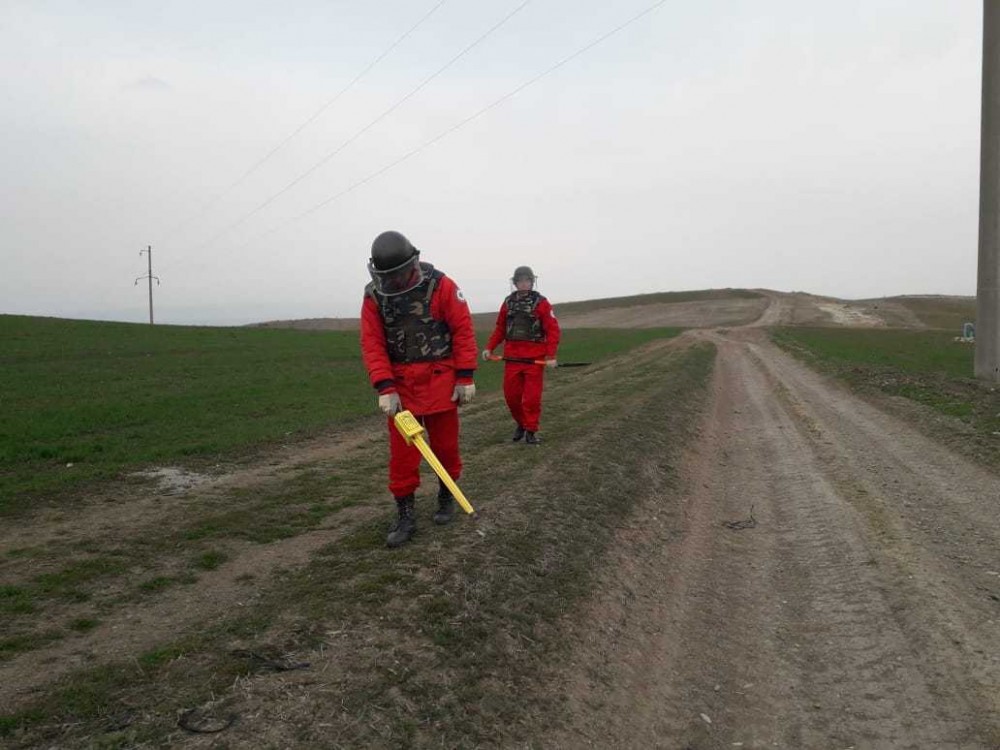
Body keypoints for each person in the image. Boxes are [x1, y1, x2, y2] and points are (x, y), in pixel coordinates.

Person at [360, 231, 478, 548]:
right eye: (389, 276)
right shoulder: (374, 297)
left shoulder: (441, 286)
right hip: (401, 388)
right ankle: (405, 514)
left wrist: (465, 376)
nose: (396, 281)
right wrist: (384, 385)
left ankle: (446, 494)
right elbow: (372, 343)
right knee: (402, 457)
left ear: (412, 262)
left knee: (446, 448)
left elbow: (462, 329)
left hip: (441, 382)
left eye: (399, 273)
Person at [482, 266, 561, 445]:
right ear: (515, 283)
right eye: (521, 281)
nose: (524, 284)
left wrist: (551, 355)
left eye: (527, 280)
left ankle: (531, 430)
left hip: (535, 359)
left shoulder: (541, 303)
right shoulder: (508, 302)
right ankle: (521, 424)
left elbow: (552, 329)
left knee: (531, 399)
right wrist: (489, 348)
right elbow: (501, 328)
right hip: (512, 358)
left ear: (532, 282)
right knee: (511, 397)